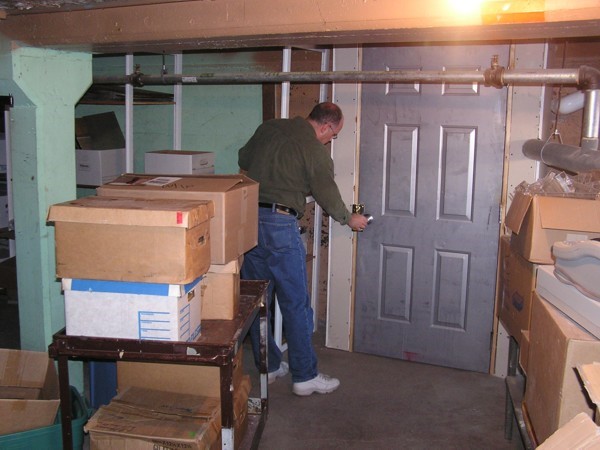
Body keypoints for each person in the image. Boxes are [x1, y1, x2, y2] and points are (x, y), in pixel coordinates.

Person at [238, 102, 370, 396]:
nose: (329, 141)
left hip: (247, 223)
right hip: (281, 227)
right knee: (295, 304)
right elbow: (326, 190)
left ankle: (269, 366)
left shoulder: (269, 127)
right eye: (332, 136)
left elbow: (243, 157)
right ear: (325, 127)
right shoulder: (313, 149)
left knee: (256, 302)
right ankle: (304, 376)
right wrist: (349, 218)